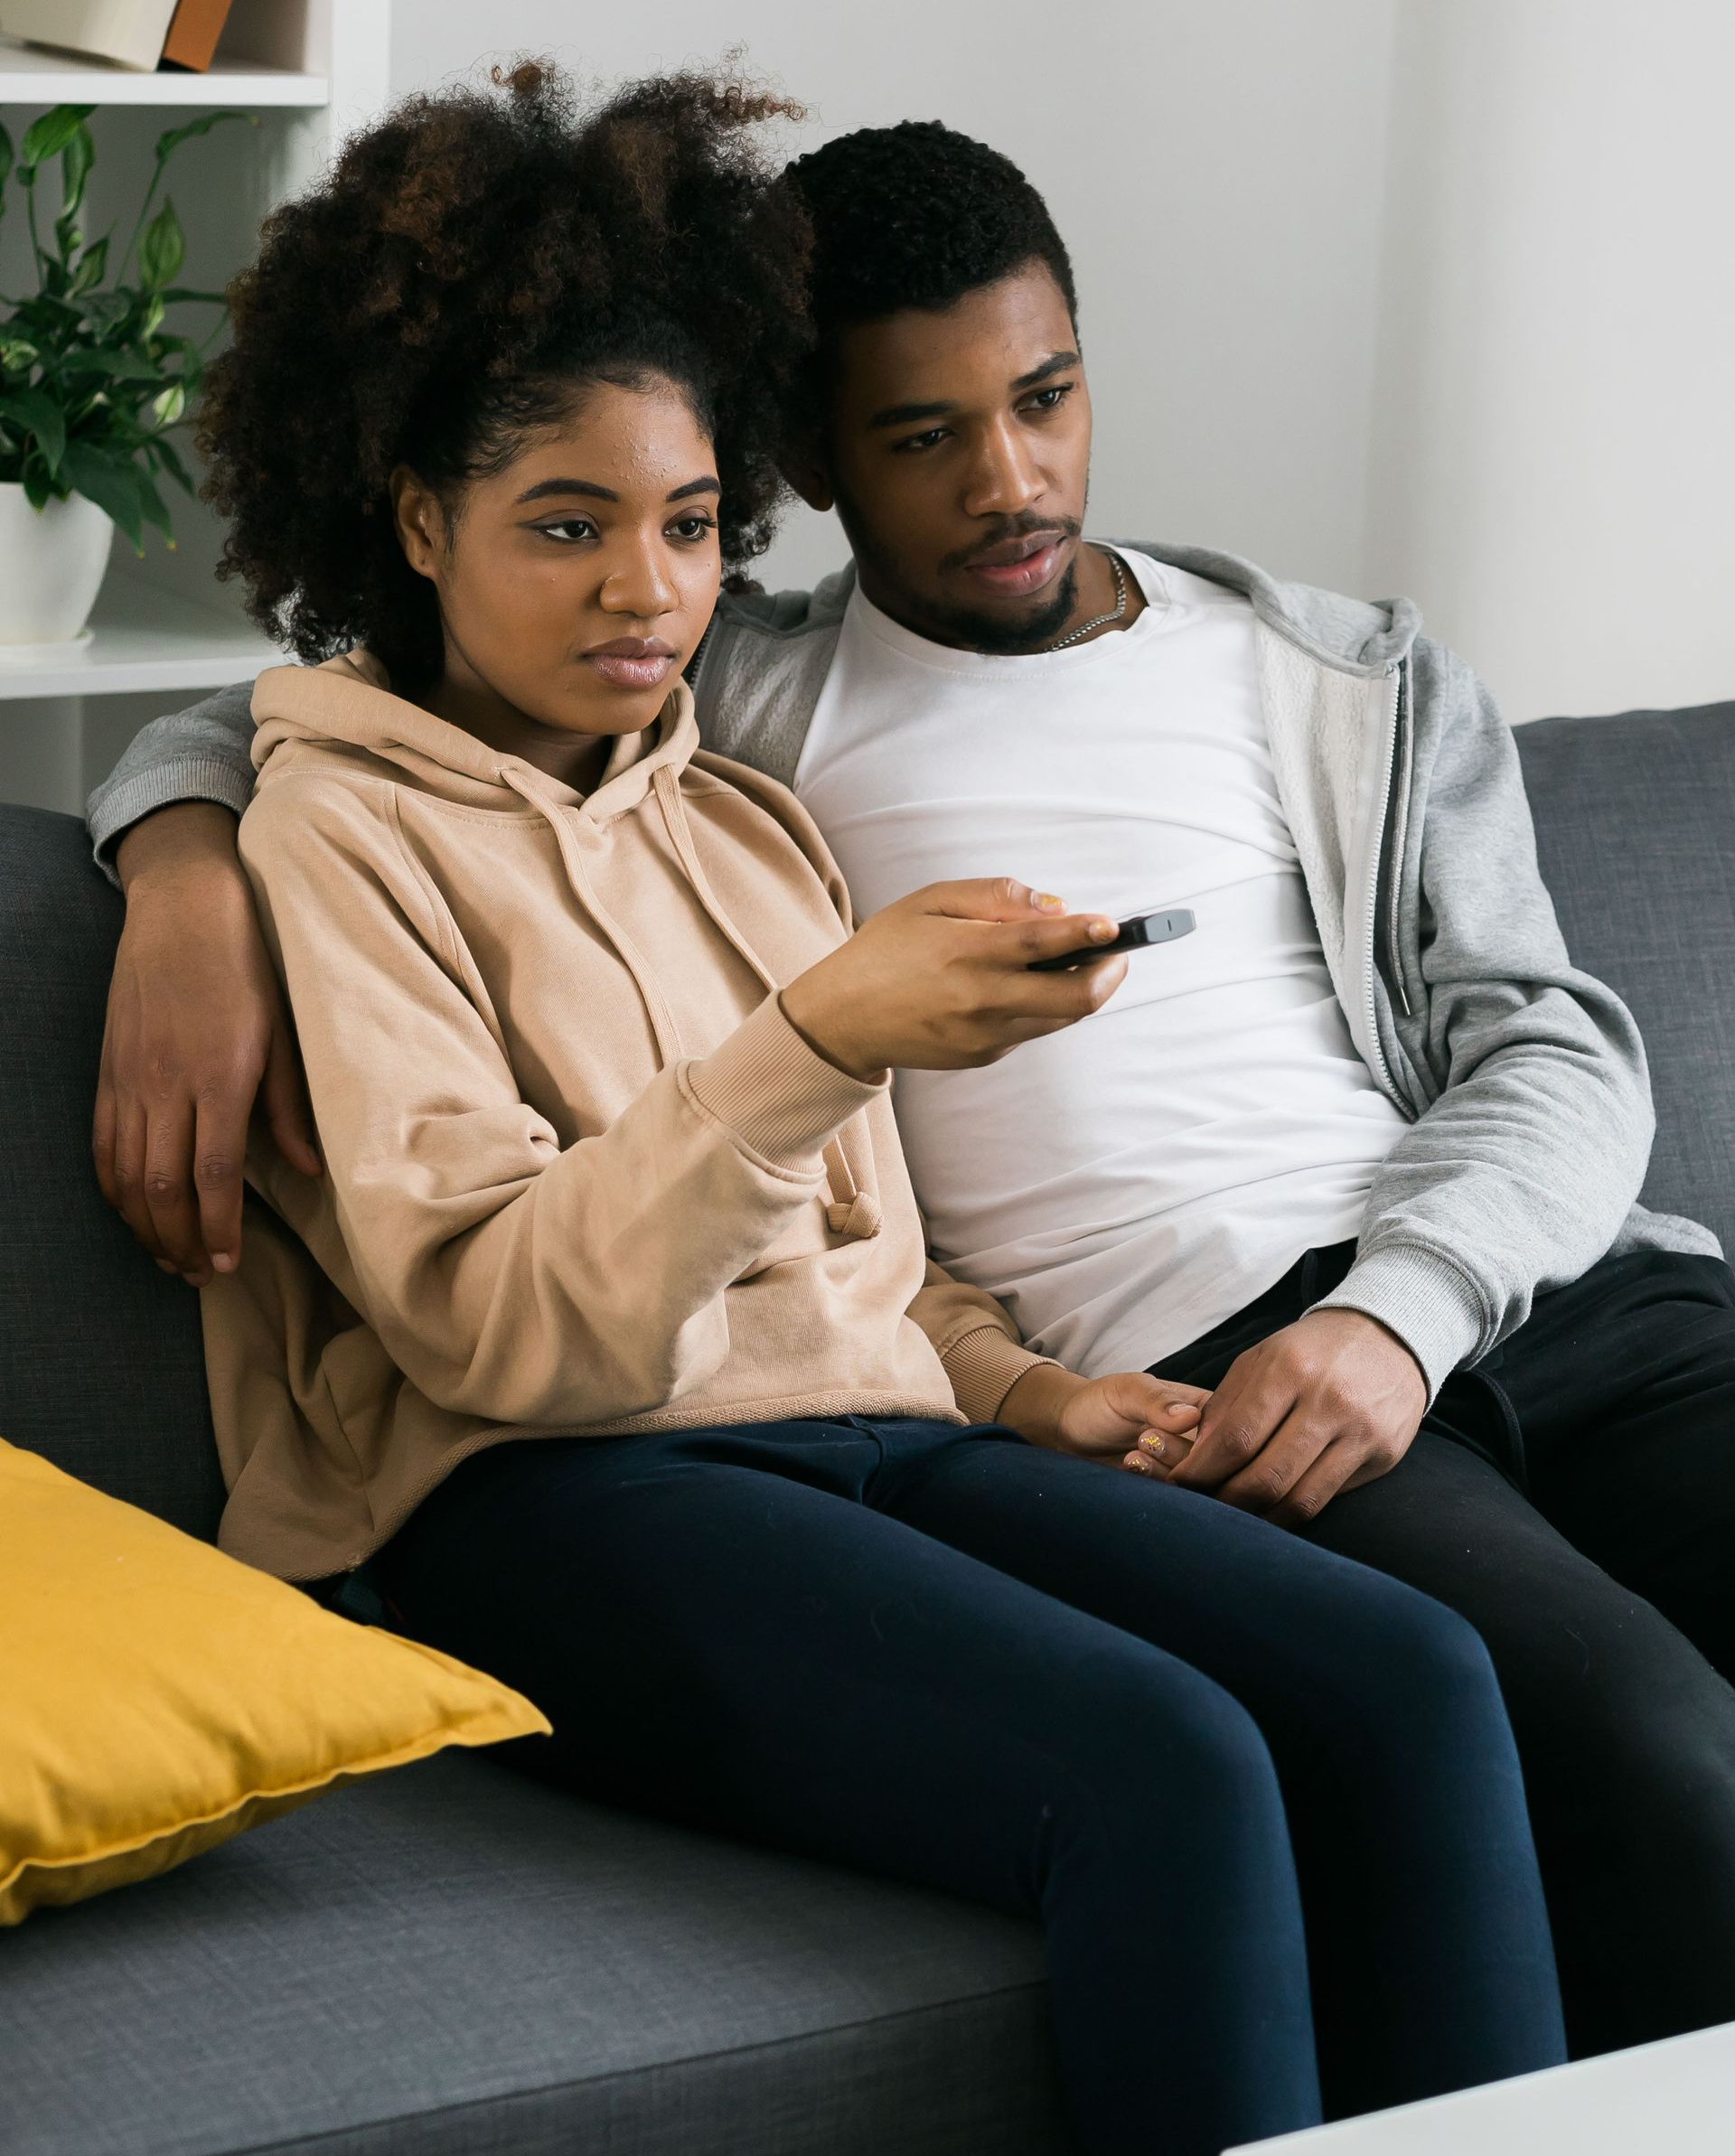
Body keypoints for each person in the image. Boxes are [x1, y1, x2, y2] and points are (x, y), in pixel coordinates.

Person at [88, 107, 1730, 2061]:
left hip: (1005, 1406)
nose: (643, 588)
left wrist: (1038, 1387)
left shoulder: (763, 805)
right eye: (564, 524)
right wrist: (177, 862)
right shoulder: (431, 808)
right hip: (581, 1472)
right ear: (420, 519)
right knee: (1221, 1763)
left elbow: (881, 1264)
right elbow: (510, 1312)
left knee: (1418, 1687)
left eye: (686, 528)